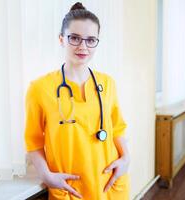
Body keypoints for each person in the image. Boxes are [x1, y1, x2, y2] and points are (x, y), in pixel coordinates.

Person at [24, 2, 130, 200]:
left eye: (91, 40)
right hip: (71, 189)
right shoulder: (39, 89)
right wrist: (47, 176)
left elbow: (117, 129)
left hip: (110, 184)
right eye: (75, 38)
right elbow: (33, 141)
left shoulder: (107, 83)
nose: (83, 47)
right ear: (61, 39)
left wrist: (126, 159)